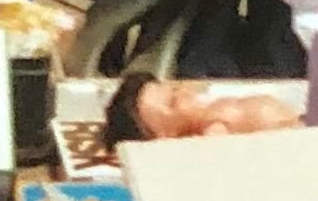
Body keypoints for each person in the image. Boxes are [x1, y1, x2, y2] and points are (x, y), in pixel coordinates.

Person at [102, 69, 301, 147]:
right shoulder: (213, 132)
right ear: (165, 136)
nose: (182, 91)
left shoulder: (214, 109)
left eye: (174, 87)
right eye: (173, 101)